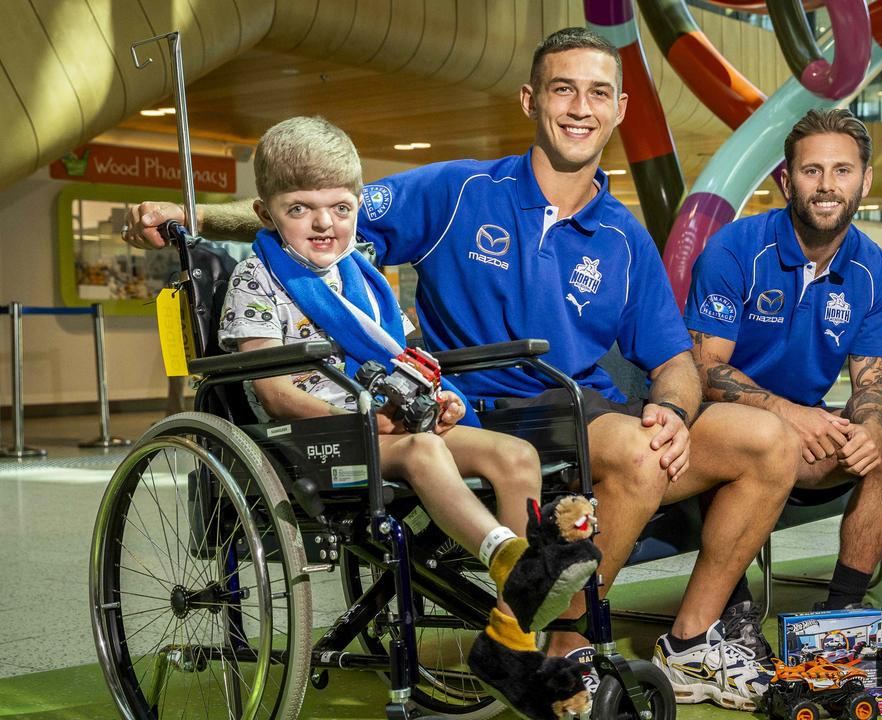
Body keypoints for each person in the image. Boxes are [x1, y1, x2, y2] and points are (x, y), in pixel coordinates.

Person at [125, 28, 795, 712]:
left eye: (598, 93)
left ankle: (689, 643)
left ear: (620, 108)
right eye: (563, 89)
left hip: (579, 405)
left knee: (768, 443)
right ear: (531, 99)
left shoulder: (623, 235)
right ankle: (563, 648)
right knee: (636, 452)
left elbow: (674, 359)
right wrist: (194, 218)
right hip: (482, 400)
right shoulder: (459, 190)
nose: (580, 107)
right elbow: (319, 208)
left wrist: (675, 410)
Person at [218, 116, 601, 719]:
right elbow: (276, 394)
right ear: (267, 215)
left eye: (341, 208)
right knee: (423, 452)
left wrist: (436, 395)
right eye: (302, 210)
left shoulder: (363, 277)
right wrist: (370, 421)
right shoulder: (256, 279)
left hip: (387, 419)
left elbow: (401, 359)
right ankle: (508, 559)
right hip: (315, 434)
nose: (325, 224)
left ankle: (508, 633)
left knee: (514, 454)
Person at [683, 109, 882, 617]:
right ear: (788, 180)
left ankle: (842, 618)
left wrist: (871, 429)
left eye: (842, 170)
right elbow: (703, 371)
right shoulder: (734, 249)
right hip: (715, 432)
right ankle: (730, 609)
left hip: (801, 437)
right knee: (756, 435)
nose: (827, 185)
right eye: (812, 171)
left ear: (865, 179)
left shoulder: (872, 267)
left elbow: (872, 380)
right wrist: (790, 414)